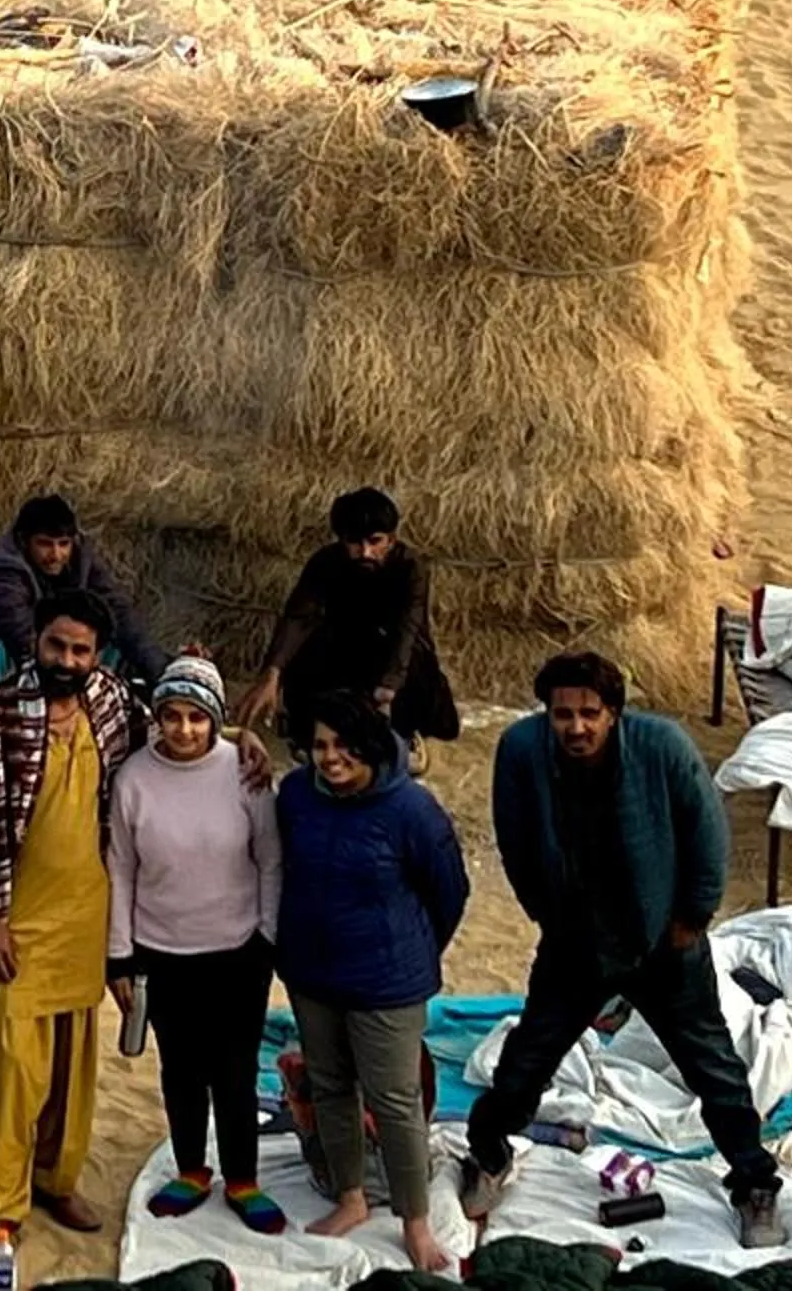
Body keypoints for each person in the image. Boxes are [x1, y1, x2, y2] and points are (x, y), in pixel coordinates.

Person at [462, 652, 788, 1248]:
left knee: (713, 1068)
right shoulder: (523, 751)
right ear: (548, 714)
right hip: (576, 943)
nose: (576, 727)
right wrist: (548, 914)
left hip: (663, 939)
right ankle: (487, 1155)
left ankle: (754, 1183)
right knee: (527, 1060)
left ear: (613, 713)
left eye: (590, 713)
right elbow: (514, 839)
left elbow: (706, 832)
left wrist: (692, 917)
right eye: (564, 714)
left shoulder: (661, 748)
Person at [0, 589, 143, 1258]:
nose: (66, 659)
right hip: (17, 921)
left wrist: (246, 747)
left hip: (88, 919)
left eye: (81, 650)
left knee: (73, 1069)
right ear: (38, 640)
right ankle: (0, 1207)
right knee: (15, 1072)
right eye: (57, 645)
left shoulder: (110, 705)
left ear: (97, 655)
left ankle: (58, 1181)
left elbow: (174, 743)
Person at [275, 688, 470, 1274]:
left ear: (369, 746)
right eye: (319, 746)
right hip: (313, 971)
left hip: (388, 981)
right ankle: (352, 1197)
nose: (331, 758)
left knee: (394, 1100)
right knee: (331, 1086)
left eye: (343, 746)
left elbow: (449, 890)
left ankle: (414, 1222)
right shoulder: (295, 797)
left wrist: (411, 949)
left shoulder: (411, 809)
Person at [104, 651, 285, 1231]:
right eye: (172, 716)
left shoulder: (244, 772)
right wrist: (120, 955)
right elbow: (121, 869)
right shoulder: (133, 778)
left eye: (197, 717)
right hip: (161, 951)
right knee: (180, 1069)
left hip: (238, 951)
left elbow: (271, 860)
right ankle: (190, 1170)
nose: (184, 729)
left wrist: (267, 936)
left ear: (215, 719)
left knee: (235, 1070)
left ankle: (242, 1178)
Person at [237, 489, 461, 758]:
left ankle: (402, 733)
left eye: (374, 541)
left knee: (415, 661)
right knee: (311, 649)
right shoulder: (325, 563)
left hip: (393, 657)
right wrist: (272, 674)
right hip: (345, 650)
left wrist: (388, 692)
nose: (365, 551)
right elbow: (298, 616)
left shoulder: (410, 568)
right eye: (355, 542)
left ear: (391, 539)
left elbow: (408, 629)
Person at [0, 494, 168, 707]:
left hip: (58, 658)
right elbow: (20, 632)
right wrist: (57, 676)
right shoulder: (5, 575)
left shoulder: (82, 564)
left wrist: (160, 675)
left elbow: (119, 612)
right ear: (24, 541)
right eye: (45, 544)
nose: (56, 555)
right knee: (2, 646)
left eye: (63, 544)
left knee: (110, 634)